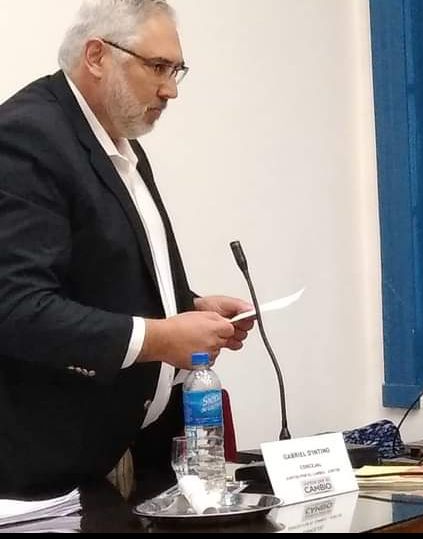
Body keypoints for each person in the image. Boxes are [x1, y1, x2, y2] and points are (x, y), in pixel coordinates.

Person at [0, 0, 255, 496]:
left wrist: (189, 306)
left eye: (176, 70)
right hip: (37, 475)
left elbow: (103, 273)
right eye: (157, 67)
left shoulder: (119, 142)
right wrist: (159, 338)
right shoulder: (25, 137)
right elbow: (15, 306)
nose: (171, 89)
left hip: (122, 452)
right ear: (97, 56)